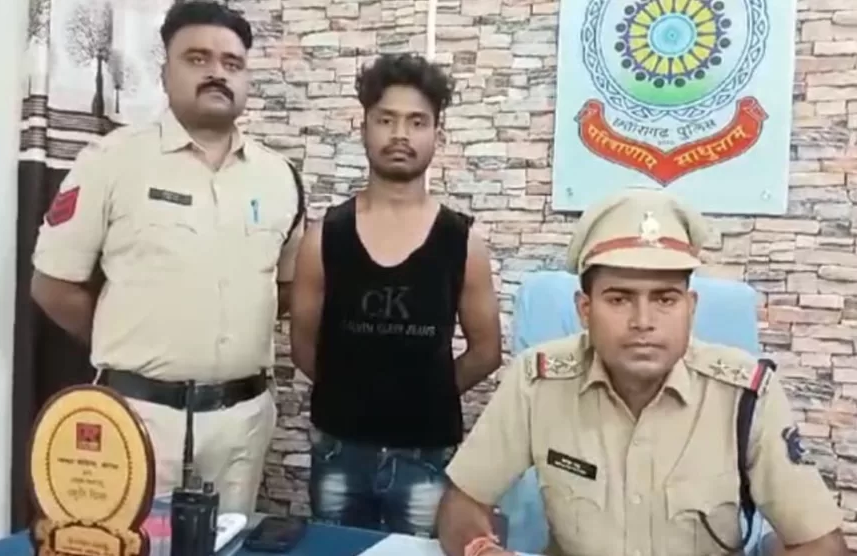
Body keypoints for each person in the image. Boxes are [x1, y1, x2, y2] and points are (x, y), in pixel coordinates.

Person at [435, 189, 851, 556]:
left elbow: (821, 543)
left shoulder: (746, 394)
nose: (643, 322)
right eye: (619, 299)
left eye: (665, 299)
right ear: (585, 310)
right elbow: (462, 504)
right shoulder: (537, 381)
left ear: (691, 308)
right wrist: (483, 550)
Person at [30, 1, 305, 514]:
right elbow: (53, 286)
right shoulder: (111, 162)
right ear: (164, 72)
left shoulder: (280, 178)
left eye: (232, 62)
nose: (217, 72)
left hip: (241, 423)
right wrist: (127, 338)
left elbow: (286, 289)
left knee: (230, 543)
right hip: (138, 417)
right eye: (197, 59)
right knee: (134, 544)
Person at [289, 53, 503, 537]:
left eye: (416, 122)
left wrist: (424, 394)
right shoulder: (324, 237)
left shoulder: (462, 241)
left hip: (426, 452)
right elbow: (302, 346)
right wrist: (353, 393)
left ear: (436, 135)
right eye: (386, 120)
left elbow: (487, 351)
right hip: (340, 448)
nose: (400, 134)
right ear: (364, 128)